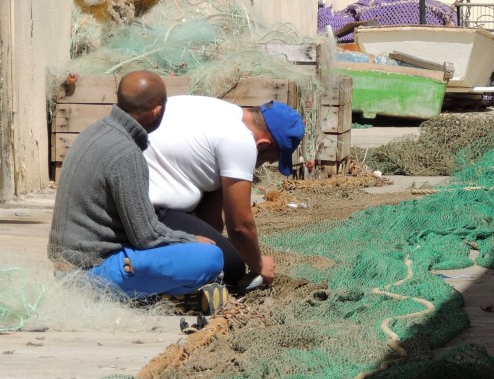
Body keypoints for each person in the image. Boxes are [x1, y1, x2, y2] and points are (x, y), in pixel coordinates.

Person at [48, 70, 225, 304]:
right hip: (93, 273)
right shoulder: (126, 154)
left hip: (65, 268)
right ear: (157, 111)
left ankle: (154, 287)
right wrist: (190, 240)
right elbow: (146, 236)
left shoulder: (94, 131)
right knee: (211, 257)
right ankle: (149, 286)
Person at [144, 95, 305, 289]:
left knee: (222, 250)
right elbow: (240, 226)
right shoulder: (241, 140)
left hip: (131, 197)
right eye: (270, 158)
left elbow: (212, 220)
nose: (266, 164)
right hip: (148, 214)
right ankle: (146, 270)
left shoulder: (221, 112)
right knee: (231, 265)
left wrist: (217, 241)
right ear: (262, 144)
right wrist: (259, 264)